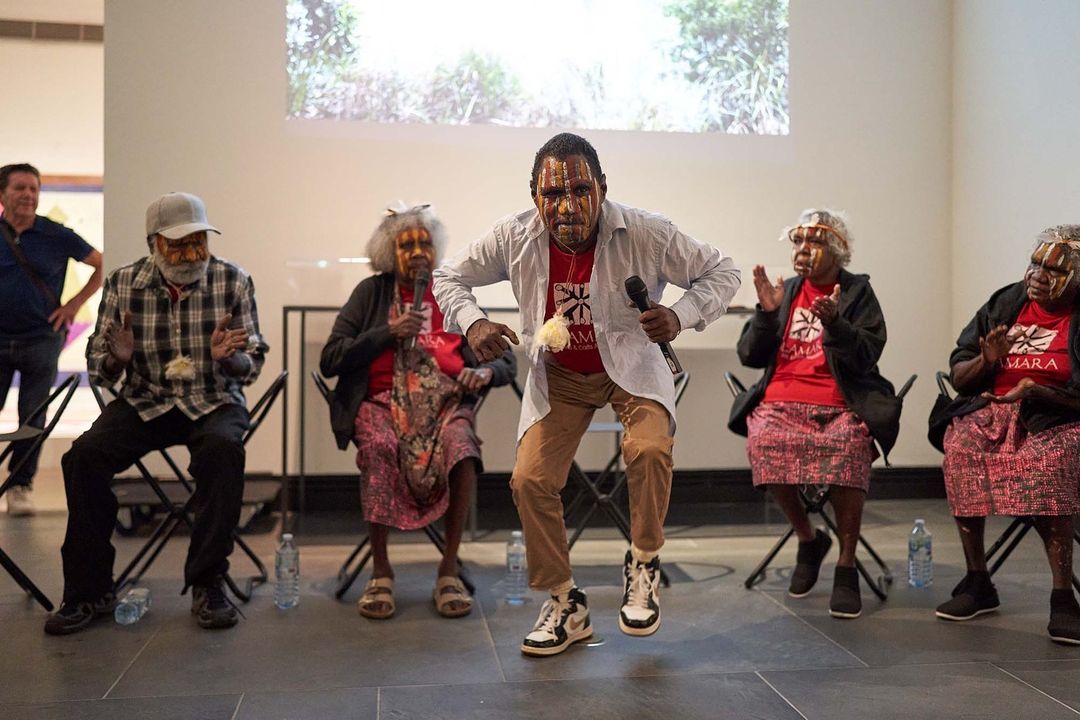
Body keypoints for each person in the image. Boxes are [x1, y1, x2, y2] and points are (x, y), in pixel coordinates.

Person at [434, 132, 740, 656]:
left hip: (633, 368)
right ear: (534, 196)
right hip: (561, 376)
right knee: (530, 480)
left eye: (580, 189)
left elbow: (723, 272)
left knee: (648, 449)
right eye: (553, 195)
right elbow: (448, 276)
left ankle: (643, 562)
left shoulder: (647, 232)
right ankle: (563, 602)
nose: (568, 206)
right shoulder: (514, 235)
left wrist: (680, 315)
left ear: (602, 188)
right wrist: (473, 321)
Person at [43, 192, 268, 635]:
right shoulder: (124, 283)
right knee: (84, 456)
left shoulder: (232, 280)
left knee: (223, 449)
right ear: (154, 243)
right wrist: (117, 360)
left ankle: (208, 582)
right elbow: (98, 366)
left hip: (213, 398)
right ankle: (89, 590)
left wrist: (229, 359)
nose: (191, 254)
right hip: (146, 399)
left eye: (198, 241)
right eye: (178, 243)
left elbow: (252, 364)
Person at [320, 203, 516, 620]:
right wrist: (386, 333)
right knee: (378, 446)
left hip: (444, 407)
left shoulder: (449, 292)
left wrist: (481, 372)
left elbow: (504, 362)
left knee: (462, 446)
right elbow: (331, 358)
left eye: (423, 242)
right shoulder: (370, 294)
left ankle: (448, 570)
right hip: (380, 405)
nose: (416, 252)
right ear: (391, 253)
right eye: (406, 245)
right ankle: (381, 572)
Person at [728, 209, 900, 619]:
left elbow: (866, 357)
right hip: (781, 400)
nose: (803, 251)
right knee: (764, 438)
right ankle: (808, 538)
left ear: (838, 251)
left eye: (814, 242)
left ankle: (846, 563)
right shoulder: (786, 291)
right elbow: (749, 356)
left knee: (847, 444)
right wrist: (767, 316)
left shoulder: (857, 293)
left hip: (840, 401)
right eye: (798, 242)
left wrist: (837, 324)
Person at [929, 225, 1080, 644]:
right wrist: (987, 358)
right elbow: (960, 374)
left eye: (1054, 269)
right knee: (960, 447)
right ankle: (978, 582)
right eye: (1036, 263)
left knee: (1048, 462)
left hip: (1059, 418)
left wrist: (1039, 392)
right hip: (993, 410)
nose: (1038, 275)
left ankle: (1063, 598)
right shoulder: (1007, 301)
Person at [0, 163, 103, 516]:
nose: (28, 195)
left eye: (33, 188)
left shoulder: (56, 234)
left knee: (33, 416)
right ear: (3, 195)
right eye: (20, 188)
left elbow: (100, 264)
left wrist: (74, 305)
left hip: (42, 340)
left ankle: (19, 487)